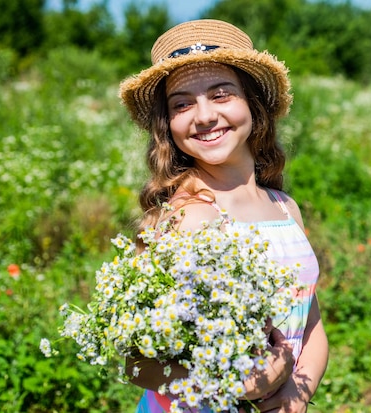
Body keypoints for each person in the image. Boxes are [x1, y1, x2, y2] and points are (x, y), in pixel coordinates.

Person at [119, 19, 329, 413]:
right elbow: (136, 363)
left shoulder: (285, 208)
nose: (203, 116)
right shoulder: (181, 219)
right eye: (181, 104)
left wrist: (295, 395)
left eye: (221, 95)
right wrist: (231, 381)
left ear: (253, 104)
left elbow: (311, 320)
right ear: (168, 125)